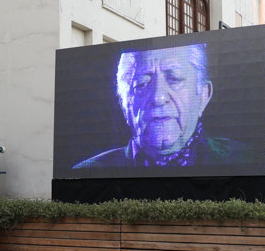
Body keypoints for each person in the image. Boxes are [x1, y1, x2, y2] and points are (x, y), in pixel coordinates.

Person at [73, 42, 247, 169]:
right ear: (125, 106)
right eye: (141, 84)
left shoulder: (244, 160)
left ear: (203, 95)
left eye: (175, 78)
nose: (158, 97)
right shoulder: (88, 172)